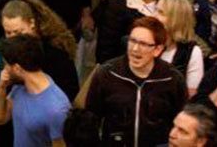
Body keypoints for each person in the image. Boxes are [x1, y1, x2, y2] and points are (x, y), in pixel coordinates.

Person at [78, 16, 187, 147]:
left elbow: (182, 124)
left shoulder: (172, 79)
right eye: (132, 41)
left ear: (157, 50)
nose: (135, 49)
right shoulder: (107, 74)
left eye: (143, 44)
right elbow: (90, 121)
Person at [0, 34, 71, 147]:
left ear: (17, 68)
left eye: (6, 64)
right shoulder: (19, 87)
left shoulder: (56, 109)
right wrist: (1, 87)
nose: (4, 70)